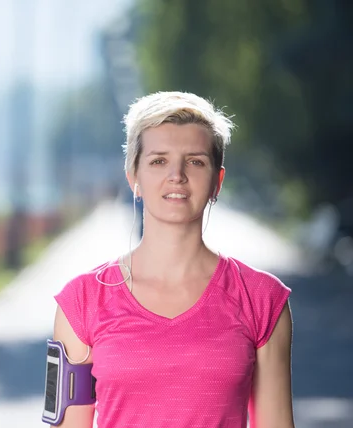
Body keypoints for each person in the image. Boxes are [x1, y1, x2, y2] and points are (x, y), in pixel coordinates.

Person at [51, 91, 294, 428]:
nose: (176, 175)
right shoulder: (81, 303)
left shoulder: (263, 301)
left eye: (195, 161)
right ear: (133, 177)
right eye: (158, 160)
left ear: (217, 182)